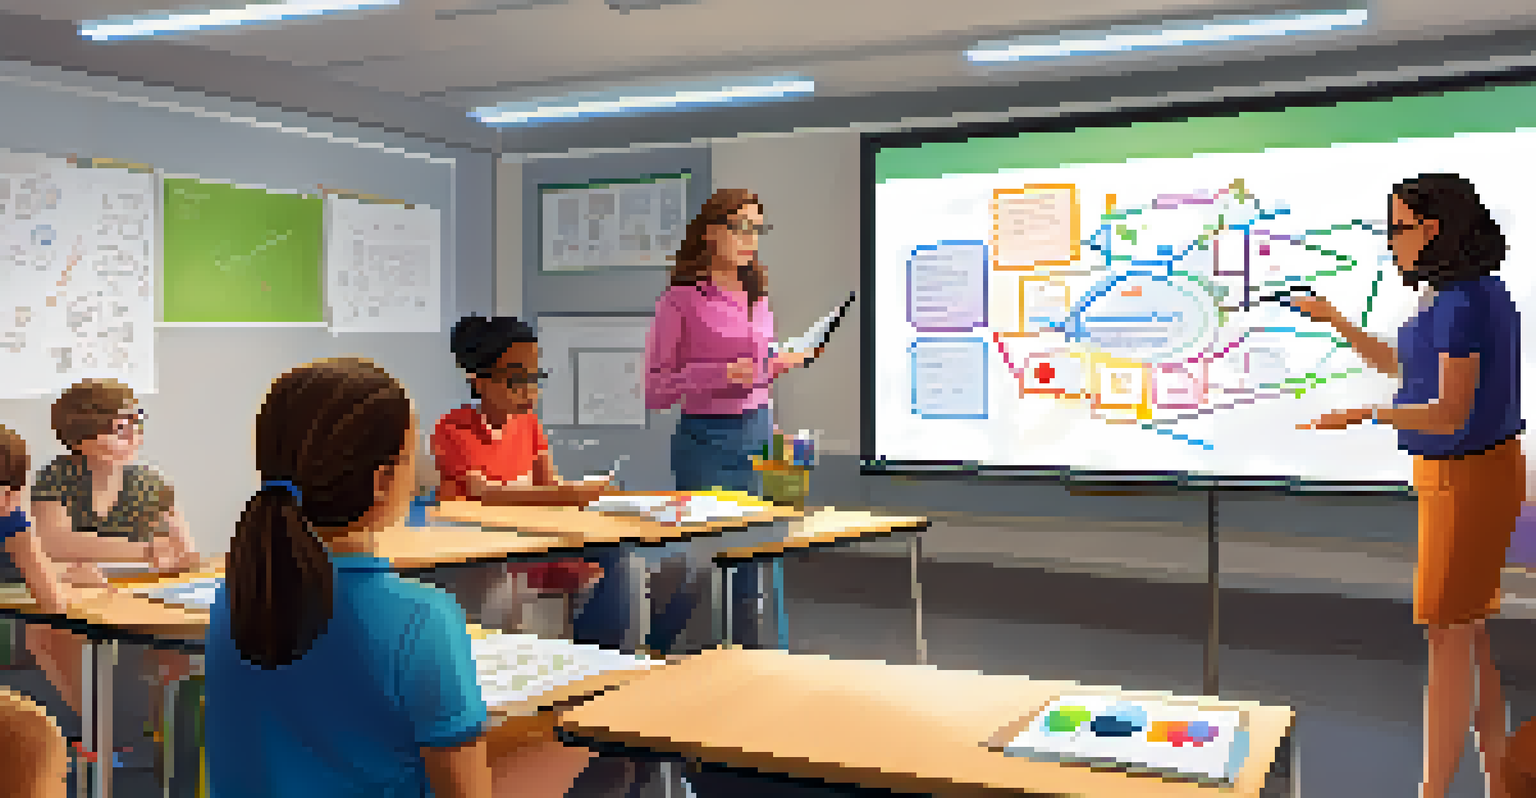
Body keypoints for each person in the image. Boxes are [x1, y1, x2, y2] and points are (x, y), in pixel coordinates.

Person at [204, 357, 596, 797]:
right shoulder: (421, 619)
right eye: (414, 456)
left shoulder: (236, 595)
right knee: (589, 749)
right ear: (383, 481)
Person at [1294, 173, 1521, 798]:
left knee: (1448, 638)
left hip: (1469, 476)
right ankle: (1498, 779)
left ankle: (1434, 790)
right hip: (1458, 474)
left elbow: (1449, 412)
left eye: (1397, 228)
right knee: (1470, 634)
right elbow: (1400, 367)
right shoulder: (1445, 296)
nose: (1390, 241)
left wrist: (1366, 414)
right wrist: (1334, 319)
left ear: (1435, 228)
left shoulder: (1464, 302)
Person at [640, 187, 818, 653]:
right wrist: (718, 374)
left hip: (760, 432)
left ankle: (767, 660)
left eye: (757, 228)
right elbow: (657, 390)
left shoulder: (758, 298)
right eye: (740, 226)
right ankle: (661, 648)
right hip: (707, 442)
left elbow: (759, 372)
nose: (750, 238)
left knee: (764, 556)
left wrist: (780, 373)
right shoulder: (679, 301)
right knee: (709, 561)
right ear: (710, 231)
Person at [27, 379, 198, 732]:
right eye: (119, 429)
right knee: (49, 634)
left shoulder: (151, 484)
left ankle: (154, 736)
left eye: (136, 424)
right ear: (79, 435)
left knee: (175, 646)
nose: (132, 437)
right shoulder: (57, 478)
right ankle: (100, 729)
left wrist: (166, 555)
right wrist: (146, 550)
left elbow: (185, 553)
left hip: (135, 589)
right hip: (79, 592)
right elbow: (52, 542)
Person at [433, 315, 609, 631]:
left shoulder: (528, 424)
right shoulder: (453, 428)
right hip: (477, 549)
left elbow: (550, 484)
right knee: (503, 591)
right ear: (479, 380)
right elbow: (484, 494)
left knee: (618, 563)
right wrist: (570, 494)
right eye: (516, 380)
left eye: (534, 378)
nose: (529, 391)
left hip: (530, 542)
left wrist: (584, 493)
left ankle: (611, 663)